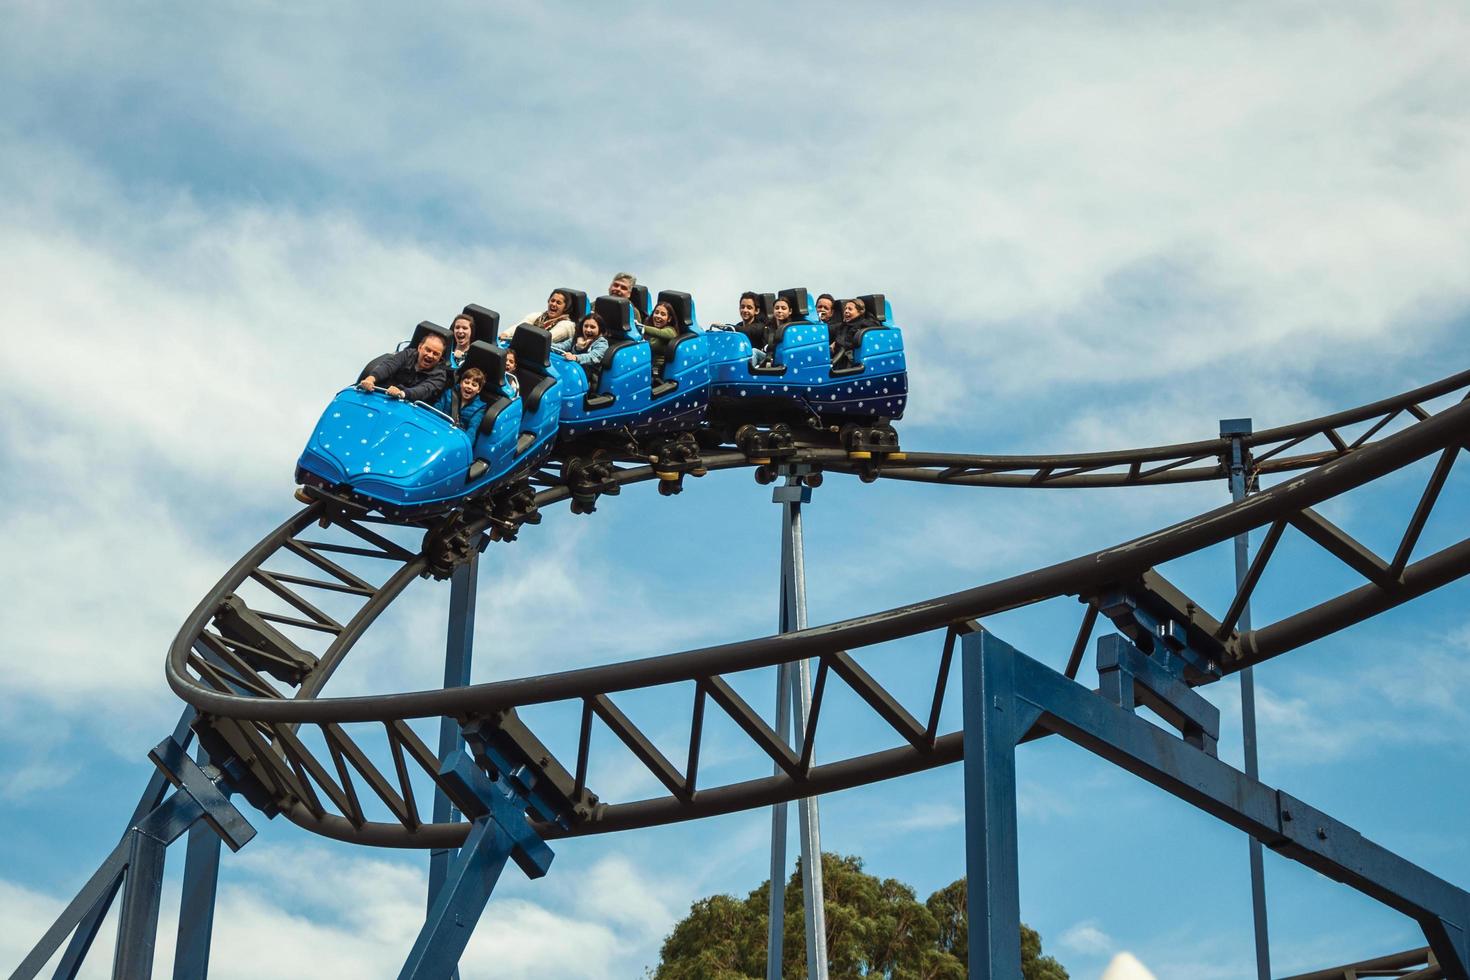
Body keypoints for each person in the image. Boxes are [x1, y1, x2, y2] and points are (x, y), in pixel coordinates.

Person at [359, 333, 449, 402]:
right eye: (428, 350)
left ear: (440, 358)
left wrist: (402, 393)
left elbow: (424, 390)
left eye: (435, 354)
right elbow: (388, 366)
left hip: (410, 408)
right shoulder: (407, 354)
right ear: (420, 347)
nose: (430, 355)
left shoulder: (440, 375)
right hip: (382, 395)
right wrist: (370, 379)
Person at [506, 290, 575, 345]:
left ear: (565, 308)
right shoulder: (537, 316)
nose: (553, 304)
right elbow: (520, 326)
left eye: (558, 303)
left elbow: (545, 339)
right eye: (552, 300)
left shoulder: (567, 325)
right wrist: (506, 334)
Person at [433, 366, 489, 433]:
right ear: (461, 383)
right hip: (439, 429)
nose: (469, 386)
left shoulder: (480, 407)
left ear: (479, 390)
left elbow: (472, 430)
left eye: (474, 385)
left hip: (457, 437)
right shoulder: (449, 394)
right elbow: (435, 411)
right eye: (466, 382)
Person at [554, 313, 609, 377]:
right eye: (586, 326)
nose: (588, 330)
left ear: (600, 329)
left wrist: (575, 357)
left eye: (592, 327)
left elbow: (592, 357)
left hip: (588, 378)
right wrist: (546, 346)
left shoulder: (602, 343)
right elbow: (561, 346)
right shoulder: (576, 338)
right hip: (571, 371)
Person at [752, 296, 792, 367]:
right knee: (753, 351)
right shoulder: (768, 328)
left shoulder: (791, 329)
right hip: (769, 358)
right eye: (777, 308)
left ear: (790, 311)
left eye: (783, 308)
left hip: (784, 359)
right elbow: (765, 347)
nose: (779, 311)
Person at [643, 300, 680, 378]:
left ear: (669, 319)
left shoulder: (671, 331)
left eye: (663, 314)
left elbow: (659, 332)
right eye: (656, 312)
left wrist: (641, 328)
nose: (658, 316)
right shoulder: (649, 326)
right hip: (644, 366)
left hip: (657, 372)